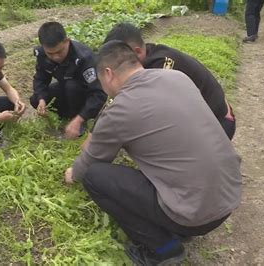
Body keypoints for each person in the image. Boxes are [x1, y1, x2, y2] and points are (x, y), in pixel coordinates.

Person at [64, 41, 242, 265]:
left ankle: (164, 249)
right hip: (230, 194)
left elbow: (92, 160)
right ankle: (179, 226)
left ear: (108, 74)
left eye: (101, 82)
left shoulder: (120, 109)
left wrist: (73, 173)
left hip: (195, 215)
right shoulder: (178, 77)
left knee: (95, 176)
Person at [104, 23, 236, 139]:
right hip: (205, 120)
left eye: (118, 59)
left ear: (137, 51)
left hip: (219, 123)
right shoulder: (146, 57)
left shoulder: (161, 66)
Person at [30, 22, 107, 139]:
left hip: (84, 95)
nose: (55, 57)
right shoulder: (41, 55)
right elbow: (41, 79)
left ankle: (78, 120)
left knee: (72, 86)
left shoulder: (84, 58)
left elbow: (99, 94)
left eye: (59, 51)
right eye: (50, 53)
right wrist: (42, 100)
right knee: (35, 99)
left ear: (67, 41)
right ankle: (66, 117)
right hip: (66, 90)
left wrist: (80, 117)